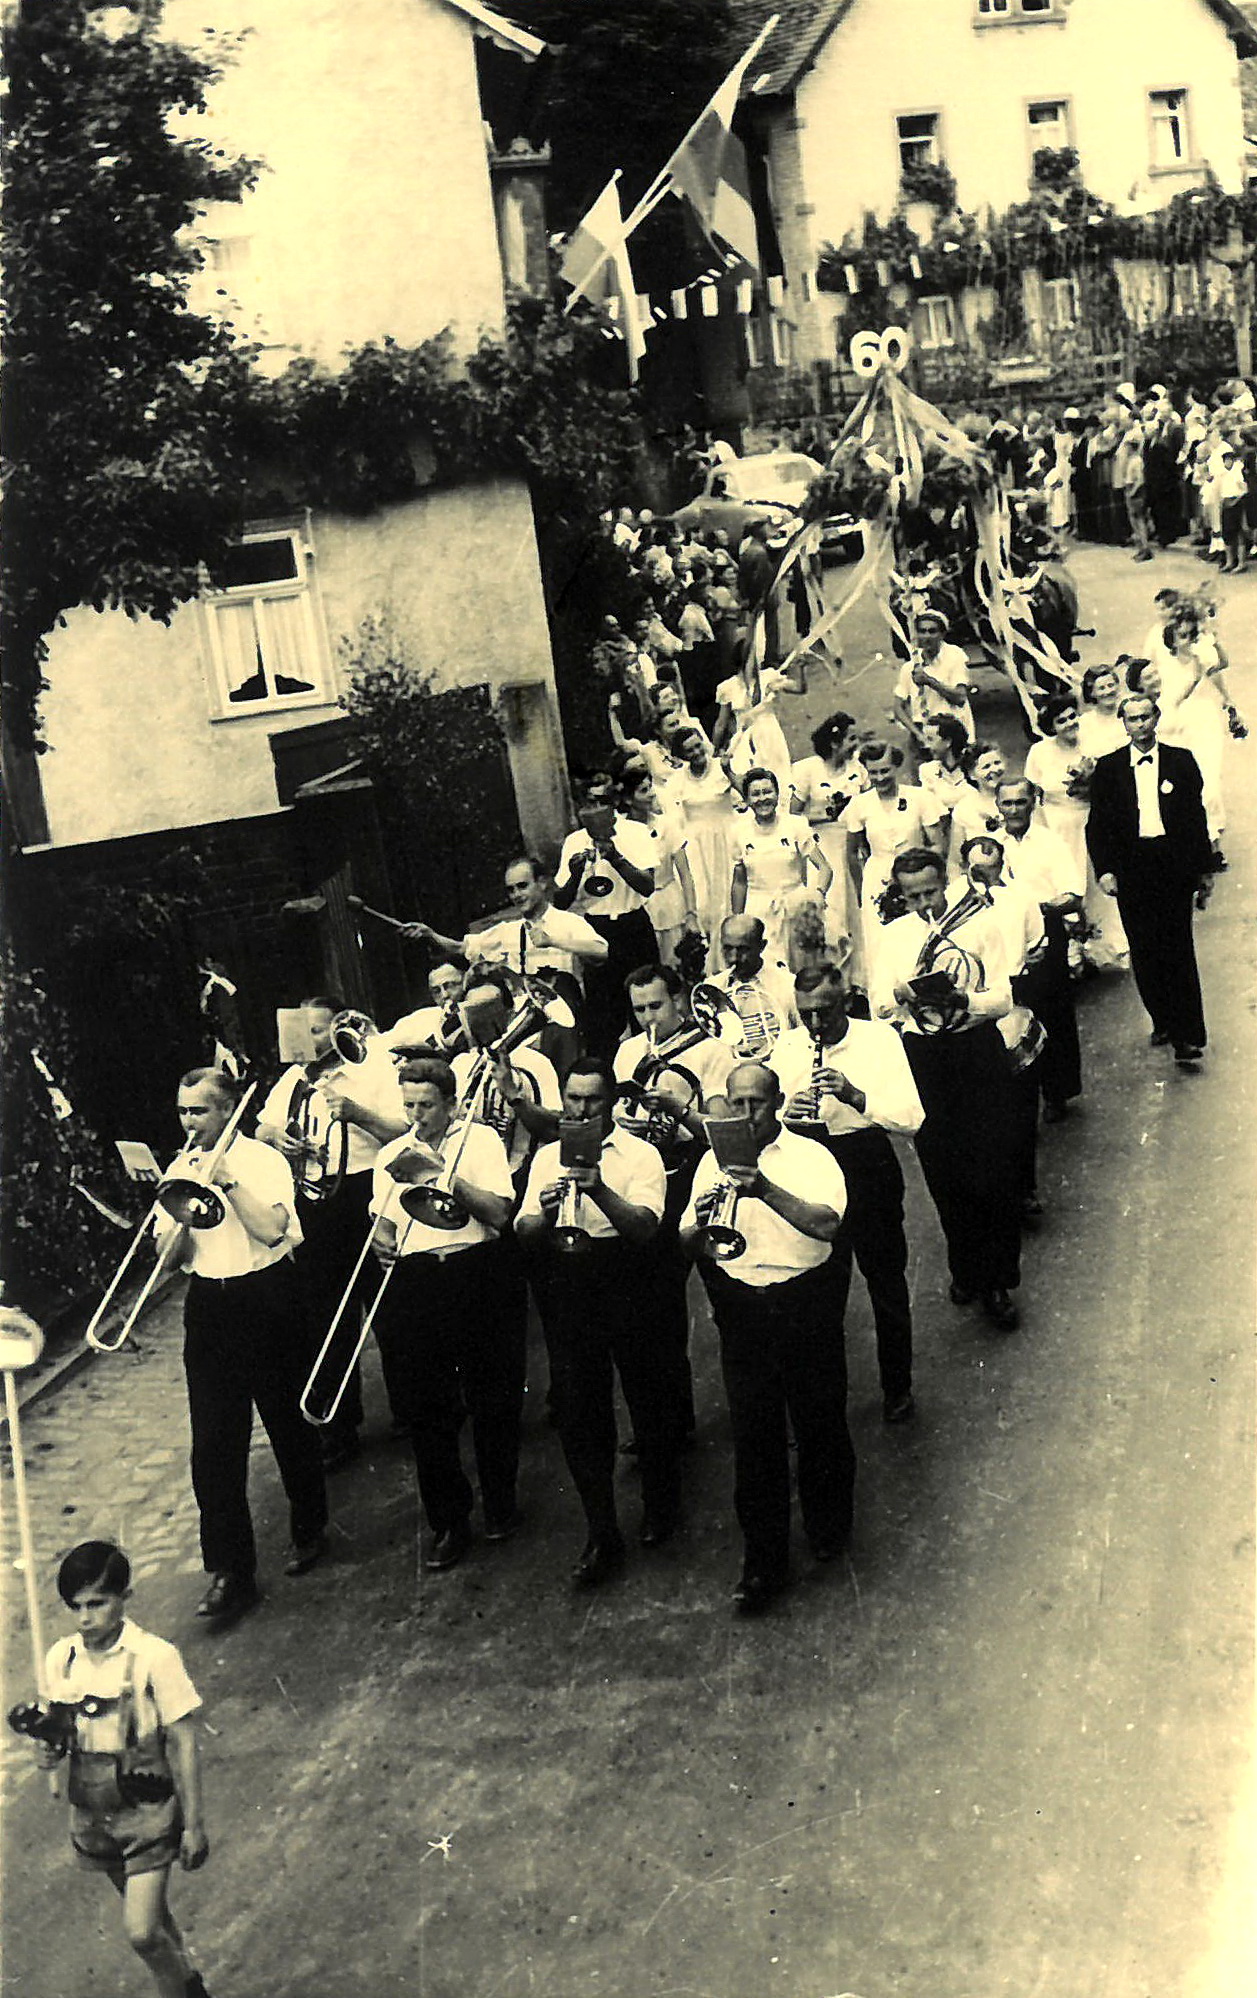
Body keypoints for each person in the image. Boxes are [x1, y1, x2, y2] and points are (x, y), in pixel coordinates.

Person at [154, 1068, 329, 1619]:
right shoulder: (179, 1170)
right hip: (209, 1305)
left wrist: (226, 1181)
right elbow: (169, 1261)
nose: (189, 1122)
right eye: (183, 1111)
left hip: (267, 1295)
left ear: (227, 1110)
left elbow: (273, 1231)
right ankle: (231, 1571)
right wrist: (182, 1210)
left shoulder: (263, 1160)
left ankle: (310, 1527)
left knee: (287, 1423)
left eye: (199, 1111)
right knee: (213, 1445)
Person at [680, 1062, 852, 1613]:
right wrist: (700, 1223)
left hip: (805, 1302)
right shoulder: (711, 1161)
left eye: (756, 1102)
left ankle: (828, 1527)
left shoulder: (812, 1156)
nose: (746, 1113)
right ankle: (763, 1562)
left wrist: (764, 1188)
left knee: (819, 1421)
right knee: (754, 1439)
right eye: (736, 1103)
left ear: (776, 1103)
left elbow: (827, 1225)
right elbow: (687, 1240)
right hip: (743, 1308)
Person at [26, 1542, 211, 1998]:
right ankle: (189, 1985)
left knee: (142, 1933)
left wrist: (194, 1824)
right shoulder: (62, 1659)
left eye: (97, 1603)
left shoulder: (153, 1657)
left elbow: (185, 1741)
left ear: (124, 1597)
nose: (85, 1618)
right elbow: (56, 1734)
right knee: (157, 1925)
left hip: (148, 1811)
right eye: (76, 1606)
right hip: (94, 1814)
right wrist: (47, 1753)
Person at [516, 1059, 676, 1584]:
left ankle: (661, 1504)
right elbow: (523, 1231)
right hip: (570, 1280)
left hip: (626, 1274)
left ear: (611, 1103)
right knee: (581, 1409)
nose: (581, 1110)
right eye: (573, 1098)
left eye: (592, 1100)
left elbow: (645, 1229)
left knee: (646, 1395)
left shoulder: (641, 1154)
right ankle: (601, 1530)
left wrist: (599, 1189)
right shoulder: (546, 1157)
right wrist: (544, 1212)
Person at [370, 1057, 520, 1566]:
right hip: (417, 1281)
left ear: (451, 1105)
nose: (417, 1116)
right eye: (409, 1105)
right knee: (427, 1409)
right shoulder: (391, 1153)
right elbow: (383, 1222)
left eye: (427, 1106)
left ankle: (500, 1504)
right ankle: (449, 1522)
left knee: (492, 1397)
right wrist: (382, 1240)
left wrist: (443, 1176)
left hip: (475, 1271)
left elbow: (500, 1214)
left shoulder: (481, 1141)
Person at [869, 850, 1022, 1330]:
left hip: (975, 1049)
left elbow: (1003, 998)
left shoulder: (980, 923)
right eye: (912, 896)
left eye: (930, 892)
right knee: (943, 1169)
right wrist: (903, 994)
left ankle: (998, 1279)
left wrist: (963, 999)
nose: (923, 904)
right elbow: (878, 1006)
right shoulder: (893, 935)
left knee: (992, 1166)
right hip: (925, 1057)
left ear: (946, 883)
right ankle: (967, 1268)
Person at [256, 997, 408, 1467]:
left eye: (319, 1030)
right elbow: (261, 1128)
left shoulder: (373, 1070)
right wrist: (278, 1138)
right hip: (317, 1201)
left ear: (340, 1029)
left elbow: (406, 1132)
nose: (310, 1039)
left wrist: (358, 1113)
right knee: (326, 1316)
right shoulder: (294, 1079)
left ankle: (411, 1411)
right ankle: (340, 1427)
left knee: (389, 1309)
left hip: (367, 1193)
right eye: (305, 1030)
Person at [770, 965, 924, 1422]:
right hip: (813, 1164)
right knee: (818, 1289)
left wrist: (857, 1096)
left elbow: (912, 1119)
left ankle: (897, 1386)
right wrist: (787, 1112)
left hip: (866, 1162)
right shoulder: (788, 1045)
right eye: (805, 1015)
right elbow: (770, 1114)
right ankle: (822, 1402)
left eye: (825, 1012)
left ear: (847, 1001)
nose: (815, 1025)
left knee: (885, 1281)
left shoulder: (880, 1040)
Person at [615, 963, 736, 1438]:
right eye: (639, 1009)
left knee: (727, 1299)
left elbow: (721, 1131)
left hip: (698, 1171)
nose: (649, 1018)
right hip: (652, 1177)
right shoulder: (628, 1052)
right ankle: (672, 1423)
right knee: (658, 1308)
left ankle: (756, 1413)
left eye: (656, 1006)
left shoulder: (712, 1049)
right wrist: (628, 1123)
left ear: (679, 1000)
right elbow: (618, 1113)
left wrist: (679, 1112)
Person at [1086, 694, 1214, 1065]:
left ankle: (1187, 1035)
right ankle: (1161, 1018)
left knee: (1178, 948)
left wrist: (1203, 870)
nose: (1140, 724)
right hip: (1133, 866)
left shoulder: (1181, 760)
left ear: (1156, 718)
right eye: (1133, 719)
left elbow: (1196, 819)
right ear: (1123, 724)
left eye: (1145, 716)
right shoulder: (1109, 768)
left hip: (1172, 864)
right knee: (1144, 947)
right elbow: (1098, 826)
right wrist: (1105, 869)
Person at [992, 779, 1084, 1126]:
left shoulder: (1050, 843)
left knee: (1052, 1015)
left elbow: (1073, 896)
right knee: (1008, 1014)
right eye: (1007, 803)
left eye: (1020, 802)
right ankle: (1017, 1094)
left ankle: (1056, 1092)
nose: (1014, 810)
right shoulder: (989, 846)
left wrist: (1034, 910)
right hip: (1001, 937)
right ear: (998, 806)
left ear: (1033, 803)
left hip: (1045, 935)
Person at [406, 855, 607, 1007]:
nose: (516, 895)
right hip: (527, 1017)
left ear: (542, 883)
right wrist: (430, 935)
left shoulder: (567, 922)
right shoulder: (508, 931)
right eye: (511, 889)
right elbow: (462, 948)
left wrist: (553, 940)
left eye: (522, 886)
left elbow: (601, 950)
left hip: (567, 1014)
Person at [552, 772, 657, 1055]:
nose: (596, 809)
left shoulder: (636, 832)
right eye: (589, 803)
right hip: (596, 930)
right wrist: (575, 874)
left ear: (614, 803)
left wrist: (616, 858)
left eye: (602, 802)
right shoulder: (574, 841)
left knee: (645, 1008)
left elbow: (647, 886)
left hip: (633, 925)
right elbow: (560, 901)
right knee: (602, 1018)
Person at [838, 739, 944, 968]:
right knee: (879, 940)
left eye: (885, 770)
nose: (880, 778)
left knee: (919, 934)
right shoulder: (860, 804)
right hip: (878, 879)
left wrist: (923, 873)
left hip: (916, 877)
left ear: (896, 767)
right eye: (873, 772)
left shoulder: (920, 797)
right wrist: (862, 889)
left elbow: (937, 845)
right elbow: (852, 853)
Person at [730, 767, 833, 971]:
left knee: (802, 969)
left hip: (795, 910)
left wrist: (817, 896)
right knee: (766, 969)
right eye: (755, 794)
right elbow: (739, 882)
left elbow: (825, 868)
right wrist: (737, 920)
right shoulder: (738, 832)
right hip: (759, 912)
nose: (762, 799)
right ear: (747, 800)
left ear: (777, 794)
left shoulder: (796, 825)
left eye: (767, 792)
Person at [671, 724, 743, 971]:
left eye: (698, 745)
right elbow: (673, 815)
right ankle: (709, 965)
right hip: (696, 845)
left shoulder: (722, 767)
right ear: (682, 755)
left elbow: (745, 793)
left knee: (728, 897)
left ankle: (732, 960)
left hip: (726, 839)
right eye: (689, 750)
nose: (697, 752)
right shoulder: (678, 779)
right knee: (703, 903)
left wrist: (729, 772)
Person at [1023, 693, 1094, 890]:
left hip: (1091, 818)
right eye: (1061, 721)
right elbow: (1031, 791)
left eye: (1072, 717)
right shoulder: (1039, 751)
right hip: (1055, 823)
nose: (1070, 723)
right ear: (1052, 727)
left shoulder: (1092, 745)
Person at [709, 914, 799, 1056]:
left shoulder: (788, 985)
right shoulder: (712, 987)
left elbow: (803, 1040)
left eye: (743, 949)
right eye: (727, 948)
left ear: (761, 946)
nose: (734, 958)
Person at [891, 608, 976, 747]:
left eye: (932, 631)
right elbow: (898, 708)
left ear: (942, 634)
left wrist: (929, 681)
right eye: (922, 631)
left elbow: (960, 697)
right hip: (924, 733)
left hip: (953, 731)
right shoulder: (911, 666)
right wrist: (918, 734)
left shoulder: (955, 656)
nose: (927, 636)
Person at [383, 961, 468, 1056]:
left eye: (449, 986)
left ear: (465, 981)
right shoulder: (425, 1018)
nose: (444, 995)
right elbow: (387, 1040)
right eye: (436, 991)